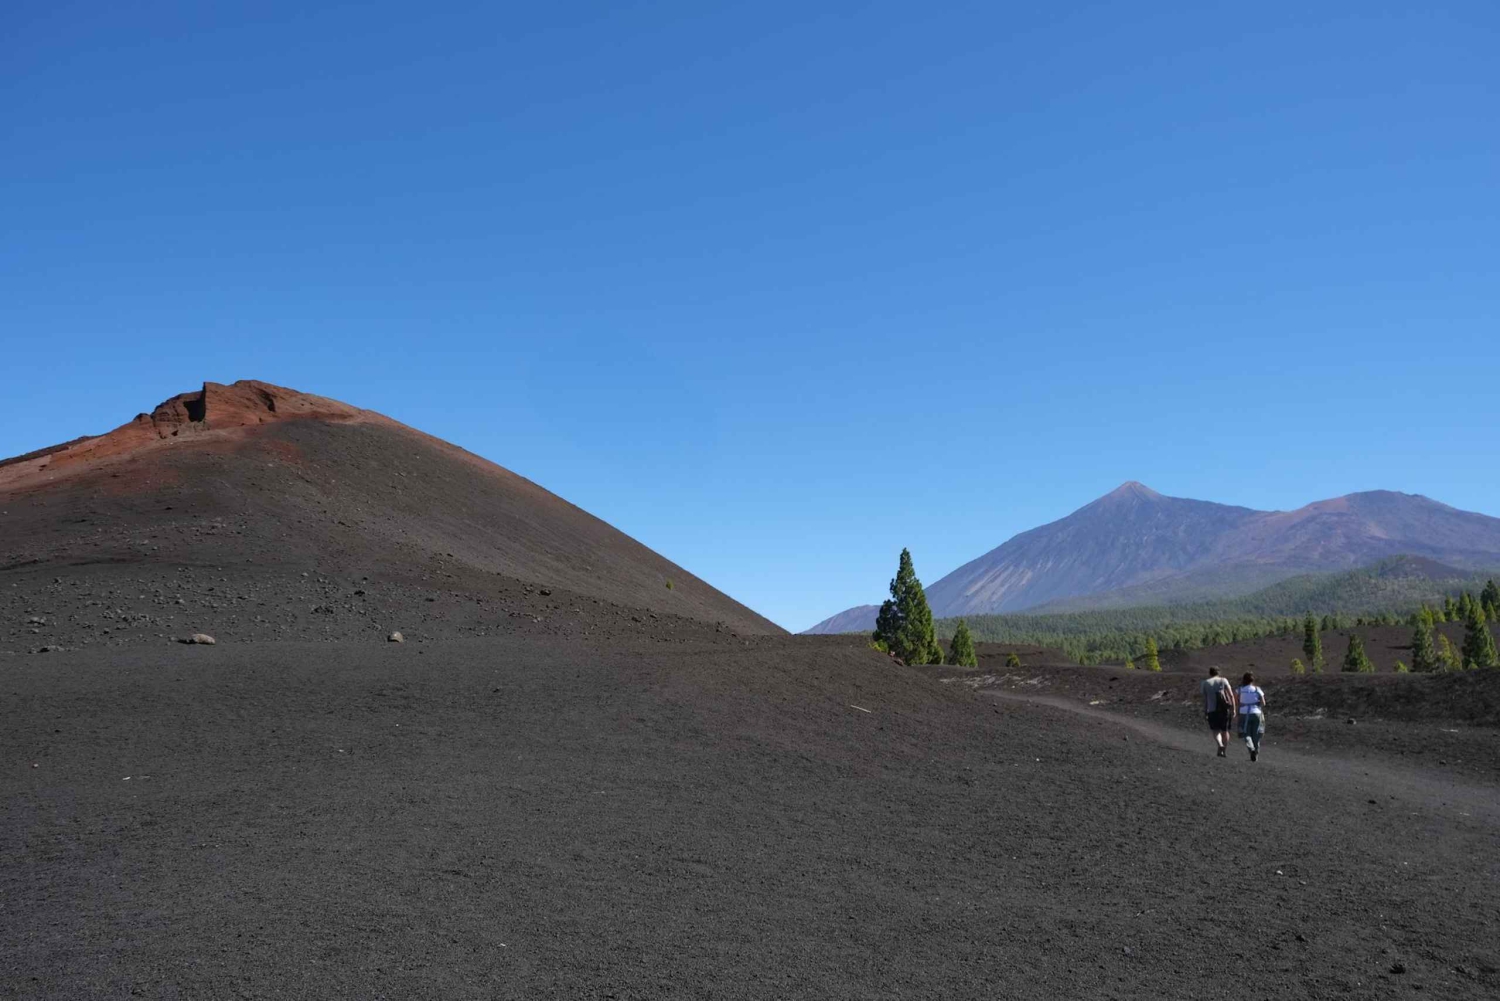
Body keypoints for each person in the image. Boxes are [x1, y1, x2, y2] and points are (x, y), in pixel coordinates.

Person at [1200, 667, 1235, 757]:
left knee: (1216, 730)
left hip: (1212, 709)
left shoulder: (1205, 683)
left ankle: (1220, 744)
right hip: (1224, 709)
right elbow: (1231, 695)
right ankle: (1223, 751)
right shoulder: (1223, 680)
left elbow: (1205, 699)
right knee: (1225, 730)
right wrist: (1233, 708)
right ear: (1218, 672)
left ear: (1210, 673)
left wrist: (1205, 711)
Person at [1237, 672, 1268, 762]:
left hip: (1244, 713)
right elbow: (1263, 703)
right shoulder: (1257, 689)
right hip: (1256, 713)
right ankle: (1256, 753)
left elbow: (1236, 701)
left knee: (1246, 733)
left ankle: (1252, 750)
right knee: (1256, 735)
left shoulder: (1239, 690)